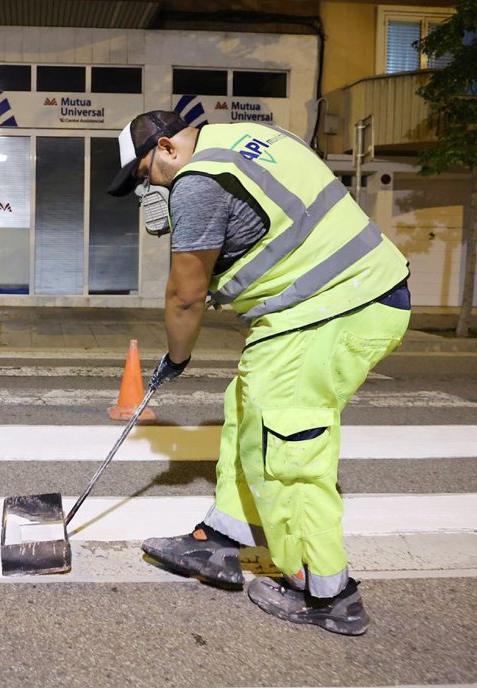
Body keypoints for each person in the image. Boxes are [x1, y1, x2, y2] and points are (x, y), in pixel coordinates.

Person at [108, 111, 411, 636]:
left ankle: (326, 593)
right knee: (247, 410)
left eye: (144, 175)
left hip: (332, 306)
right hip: (329, 302)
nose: (148, 190)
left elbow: (185, 295)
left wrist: (176, 358)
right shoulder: (248, 139)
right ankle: (224, 539)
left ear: (166, 148)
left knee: (285, 449)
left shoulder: (197, 181)